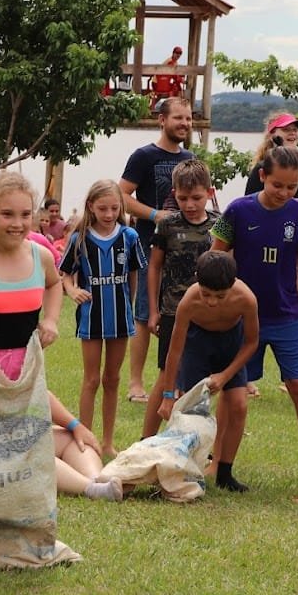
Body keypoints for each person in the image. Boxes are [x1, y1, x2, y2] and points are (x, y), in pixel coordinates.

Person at [0, 286, 121, 501]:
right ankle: (90, 489)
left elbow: (34, 392)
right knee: (22, 451)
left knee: (72, 438)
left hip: (0, 435)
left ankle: (99, 480)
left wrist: (75, 426)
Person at [210, 146, 298, 489]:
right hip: (244, 319)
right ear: (262, 176)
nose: (285, 193)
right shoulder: (237, 211)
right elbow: (216, 258)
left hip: (287, 314)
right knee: (235, 394)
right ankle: (217, 464)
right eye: (278, 185)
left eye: (292, 187)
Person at [59, 179, 146, 458]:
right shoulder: (80, 239)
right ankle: (85, 439)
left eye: (113, 208)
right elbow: (66, 274)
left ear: (120, 207)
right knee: (91, 379)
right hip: (91, 318)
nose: (108, 214)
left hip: (120, 318)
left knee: (112, 378)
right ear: (91, 208)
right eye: (102, 209)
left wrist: (129, 305)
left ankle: (107, 442)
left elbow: (133, 275)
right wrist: (73, 291)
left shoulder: (129, 237)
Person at [158, 252, 259, 491]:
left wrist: (225, 376)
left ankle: (225, 472)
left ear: (232, 285)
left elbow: (251, 343)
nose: (212, 301)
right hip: (198, 344)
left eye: (220, 296)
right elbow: (175, 350)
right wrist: (168, 395)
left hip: (231, 344)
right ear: (197, 281)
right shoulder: (189, 302)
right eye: (206, 294)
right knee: (192, 411)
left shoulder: (246, 299)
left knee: (238, 405)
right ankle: (184, 470)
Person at [119, 96, 195, 403]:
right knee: (143, 313)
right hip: (149, 243)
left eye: (189, 119)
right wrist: (154, 214)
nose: (185, 124)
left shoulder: (190, 158)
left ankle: (177, 379)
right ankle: (135, 384)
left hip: (185, 246)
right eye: (178, 118)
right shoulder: (143, 156)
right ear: (161, 120)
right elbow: (121, 195)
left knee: (181, 310)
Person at [141, 159, 218, 438]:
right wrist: (153, 310)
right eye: (183, 198)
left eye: (196, 198)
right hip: (173, 311)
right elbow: (155, 267)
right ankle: (145, 439)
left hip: (208, 313)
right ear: (174, 193)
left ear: (209, 193)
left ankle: (192, 438)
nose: (189, 204)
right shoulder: (168, 225)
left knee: (200, 380)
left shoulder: (218, 225)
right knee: (166, 375)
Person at [244, 111, 298, 202]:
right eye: (286, 130)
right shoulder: (263, 167)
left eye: (295, 130)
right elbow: (248, 203)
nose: (292, 133)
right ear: (272, 135)